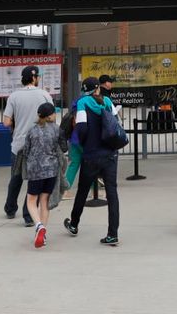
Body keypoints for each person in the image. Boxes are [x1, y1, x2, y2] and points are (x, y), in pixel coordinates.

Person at [64, 80, 122, 247]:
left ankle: (74, 224)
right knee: (112, 192)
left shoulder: (82, 102)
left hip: (91, 154)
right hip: (109, 154)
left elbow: (81, 127)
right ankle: (113, 234)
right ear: (97, 88)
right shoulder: (107, 101)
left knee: (82, 190)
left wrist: (85, 142)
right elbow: (114, 123)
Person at [3, 66, 54, 226]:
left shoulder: (14, 96)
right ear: (34, 78)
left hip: (18, 144)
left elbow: (6, 121)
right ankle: (28, 216)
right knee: (34, 180)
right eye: (37, 76)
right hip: (39, 146)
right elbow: (52, 118)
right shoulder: (45, 94)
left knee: (16, 177)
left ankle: (10, 209)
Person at [23, 102, 67, 249]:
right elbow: (64, 147)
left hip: (35, 170)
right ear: (50, 115)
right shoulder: (57, 130)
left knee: (31, 200)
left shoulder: (32, 131)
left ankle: (39, 226)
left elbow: (26, 150)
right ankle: (43, 233)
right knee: (44, 201)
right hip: (52, 170)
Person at [63, 78, 99, 201]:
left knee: (73, 164)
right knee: (91, 163)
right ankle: (94, 191)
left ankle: (64, 190)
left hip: (75, 138)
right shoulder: (92, 101)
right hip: (86, 139)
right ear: (95, 89)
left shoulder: (77, 101)